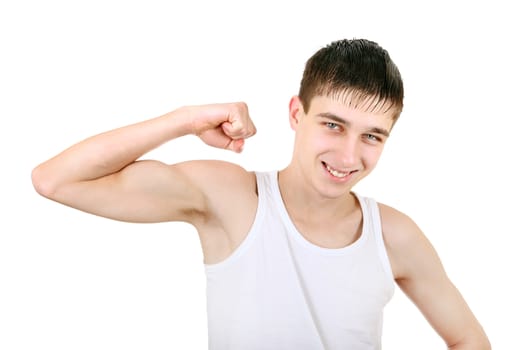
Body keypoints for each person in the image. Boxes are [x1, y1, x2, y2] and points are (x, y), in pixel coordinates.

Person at [31, 38, 490, 349]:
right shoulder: (232, 198)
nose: (349, 155)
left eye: (373, 136)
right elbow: (57, 180)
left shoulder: (394, 235)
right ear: (296, 112)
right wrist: (186, 120)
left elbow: (471, 340)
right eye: (333, 125)